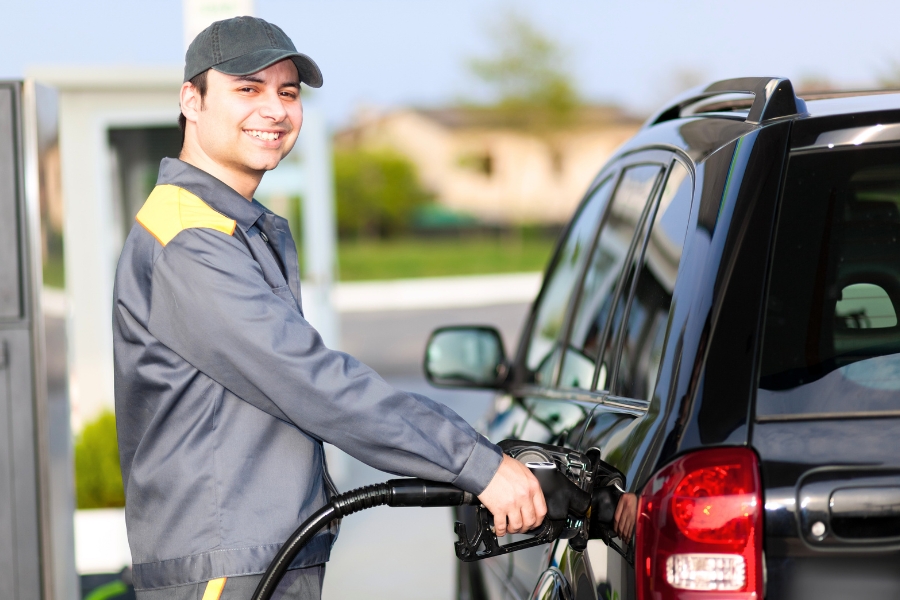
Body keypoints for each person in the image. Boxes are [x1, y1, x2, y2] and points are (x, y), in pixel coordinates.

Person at [112, 16, 546, 600]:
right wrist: (475, 462)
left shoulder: (230, 228)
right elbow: (311, 380)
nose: (274, 110)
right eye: (248, 88)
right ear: (192, 100)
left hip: (253, 557)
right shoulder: (189, 240)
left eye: (288, 92)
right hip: (225, 567)